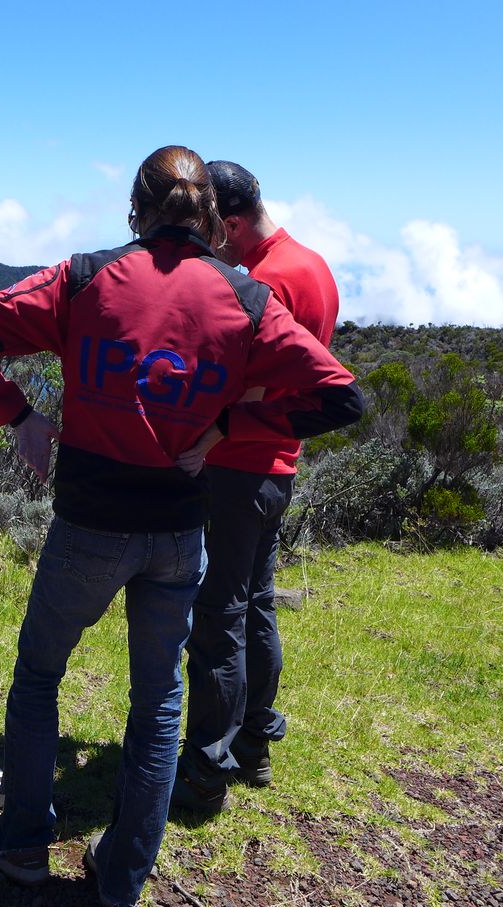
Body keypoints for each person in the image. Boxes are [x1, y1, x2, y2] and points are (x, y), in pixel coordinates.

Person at [0, 144, 363, 907]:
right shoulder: (246, 299)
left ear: (135, 209)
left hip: (90, 524)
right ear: (208, 217)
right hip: (177, 530)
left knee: (39, 674)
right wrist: (229, 425)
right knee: (157, 699)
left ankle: (23, 841)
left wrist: (22, 418)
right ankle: (124, 875)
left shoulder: (85, 278)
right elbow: (339, 397)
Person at [170, 161, 341, 815]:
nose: (210, 243)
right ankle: (254, 742)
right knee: (256, 601)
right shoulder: (313, 265)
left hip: (241, 466)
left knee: (219, 616)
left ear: (231, 220)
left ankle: (205, 767)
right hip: (278, 467)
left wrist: (204, 442)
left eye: (213, 230)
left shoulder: (267, 280)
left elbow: (258, 386)